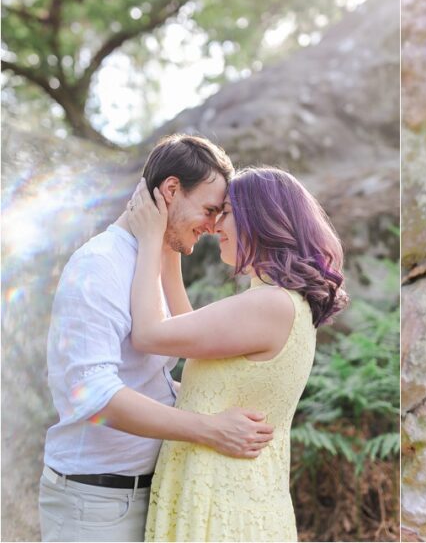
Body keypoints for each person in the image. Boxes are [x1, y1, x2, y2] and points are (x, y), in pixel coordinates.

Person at [39, 135, 275, 543]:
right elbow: (92, 393)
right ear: (170, 190)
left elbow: (155, 377)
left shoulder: (153, 262)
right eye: (209, 209)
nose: (214, 225)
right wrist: (209, 428)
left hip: (148, 495)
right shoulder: (100, 264)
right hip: (95, 505)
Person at [123, 165, 348, 541]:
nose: (214, 226)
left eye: (224, 212)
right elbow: (189, 333)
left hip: (221, 507)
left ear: (259, 218)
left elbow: (148, 335)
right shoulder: (277, 302)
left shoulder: (270, 305)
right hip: (232, 499)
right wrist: (170, 245)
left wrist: (149, 242)